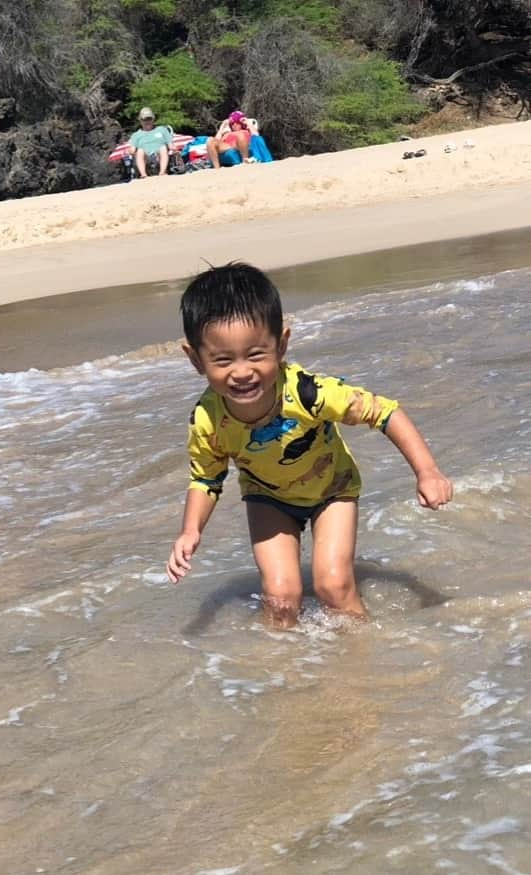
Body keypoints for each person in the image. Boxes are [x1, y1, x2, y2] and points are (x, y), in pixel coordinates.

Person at [165, 263, 453, 627]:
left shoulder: (308, 392)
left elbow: (386, 413)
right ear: (195, 360)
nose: (241, 372)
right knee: (281, 598)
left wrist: (427, 472)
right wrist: (191, 530)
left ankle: (357, 665)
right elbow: (206, 480)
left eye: (255, 354)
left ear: (281, 345)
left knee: (333, 586)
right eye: (222, 360)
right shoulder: (207, 419)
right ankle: (290, 673)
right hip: (268, 498)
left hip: (332, 489)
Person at [128, 107, 172, 178]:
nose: (147, 121)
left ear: (153, 119)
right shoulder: (136, 135)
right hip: (145, 158)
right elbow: (132, 150)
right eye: (144, 119)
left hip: (160, 155)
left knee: (163, 148)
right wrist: (129, 151)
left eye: (149, 119)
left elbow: (170, 145)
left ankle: (162, 172)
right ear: (140, 120)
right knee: (140, 151)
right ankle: (143, 174)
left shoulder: (162, 130)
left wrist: (174, 149)